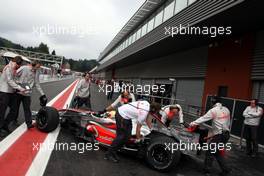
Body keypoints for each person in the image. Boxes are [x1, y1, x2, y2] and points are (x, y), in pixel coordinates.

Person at [190, 96, 231, 176]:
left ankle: (207, 171)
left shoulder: (213, 110)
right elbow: (228, 122)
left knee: (209, 152)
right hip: (226, 135)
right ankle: (226, 170)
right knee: (217, 152)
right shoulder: (226, 109)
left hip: (219, 135)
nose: (210, 103)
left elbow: (203, 118)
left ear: (213, 102)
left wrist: (192, 123)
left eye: (211, 101)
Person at [4, 60, 47, 130]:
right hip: (19, 91)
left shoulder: (37, 72)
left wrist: (42, 94)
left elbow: (37, 83)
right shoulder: (24, 68)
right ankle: (12, 121)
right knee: (15, 108)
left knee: (27, 108)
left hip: (28, 92)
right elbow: (14, 74)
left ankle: (29, 123)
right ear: (33, 64)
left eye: (39, 67)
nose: (38, 69)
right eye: (37, 67)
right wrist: (18, 83)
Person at [0, 56, 25, 137]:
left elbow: (14, 80)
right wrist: (20, 88)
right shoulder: (8, 68)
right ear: (16, 62)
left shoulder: (14, 69)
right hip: (4, 92)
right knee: (2, 112)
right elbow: (10, 81)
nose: (19, 67)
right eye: (19, 65)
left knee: (14, 110)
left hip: (11, 92)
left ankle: (4, 125)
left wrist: (21, 85)